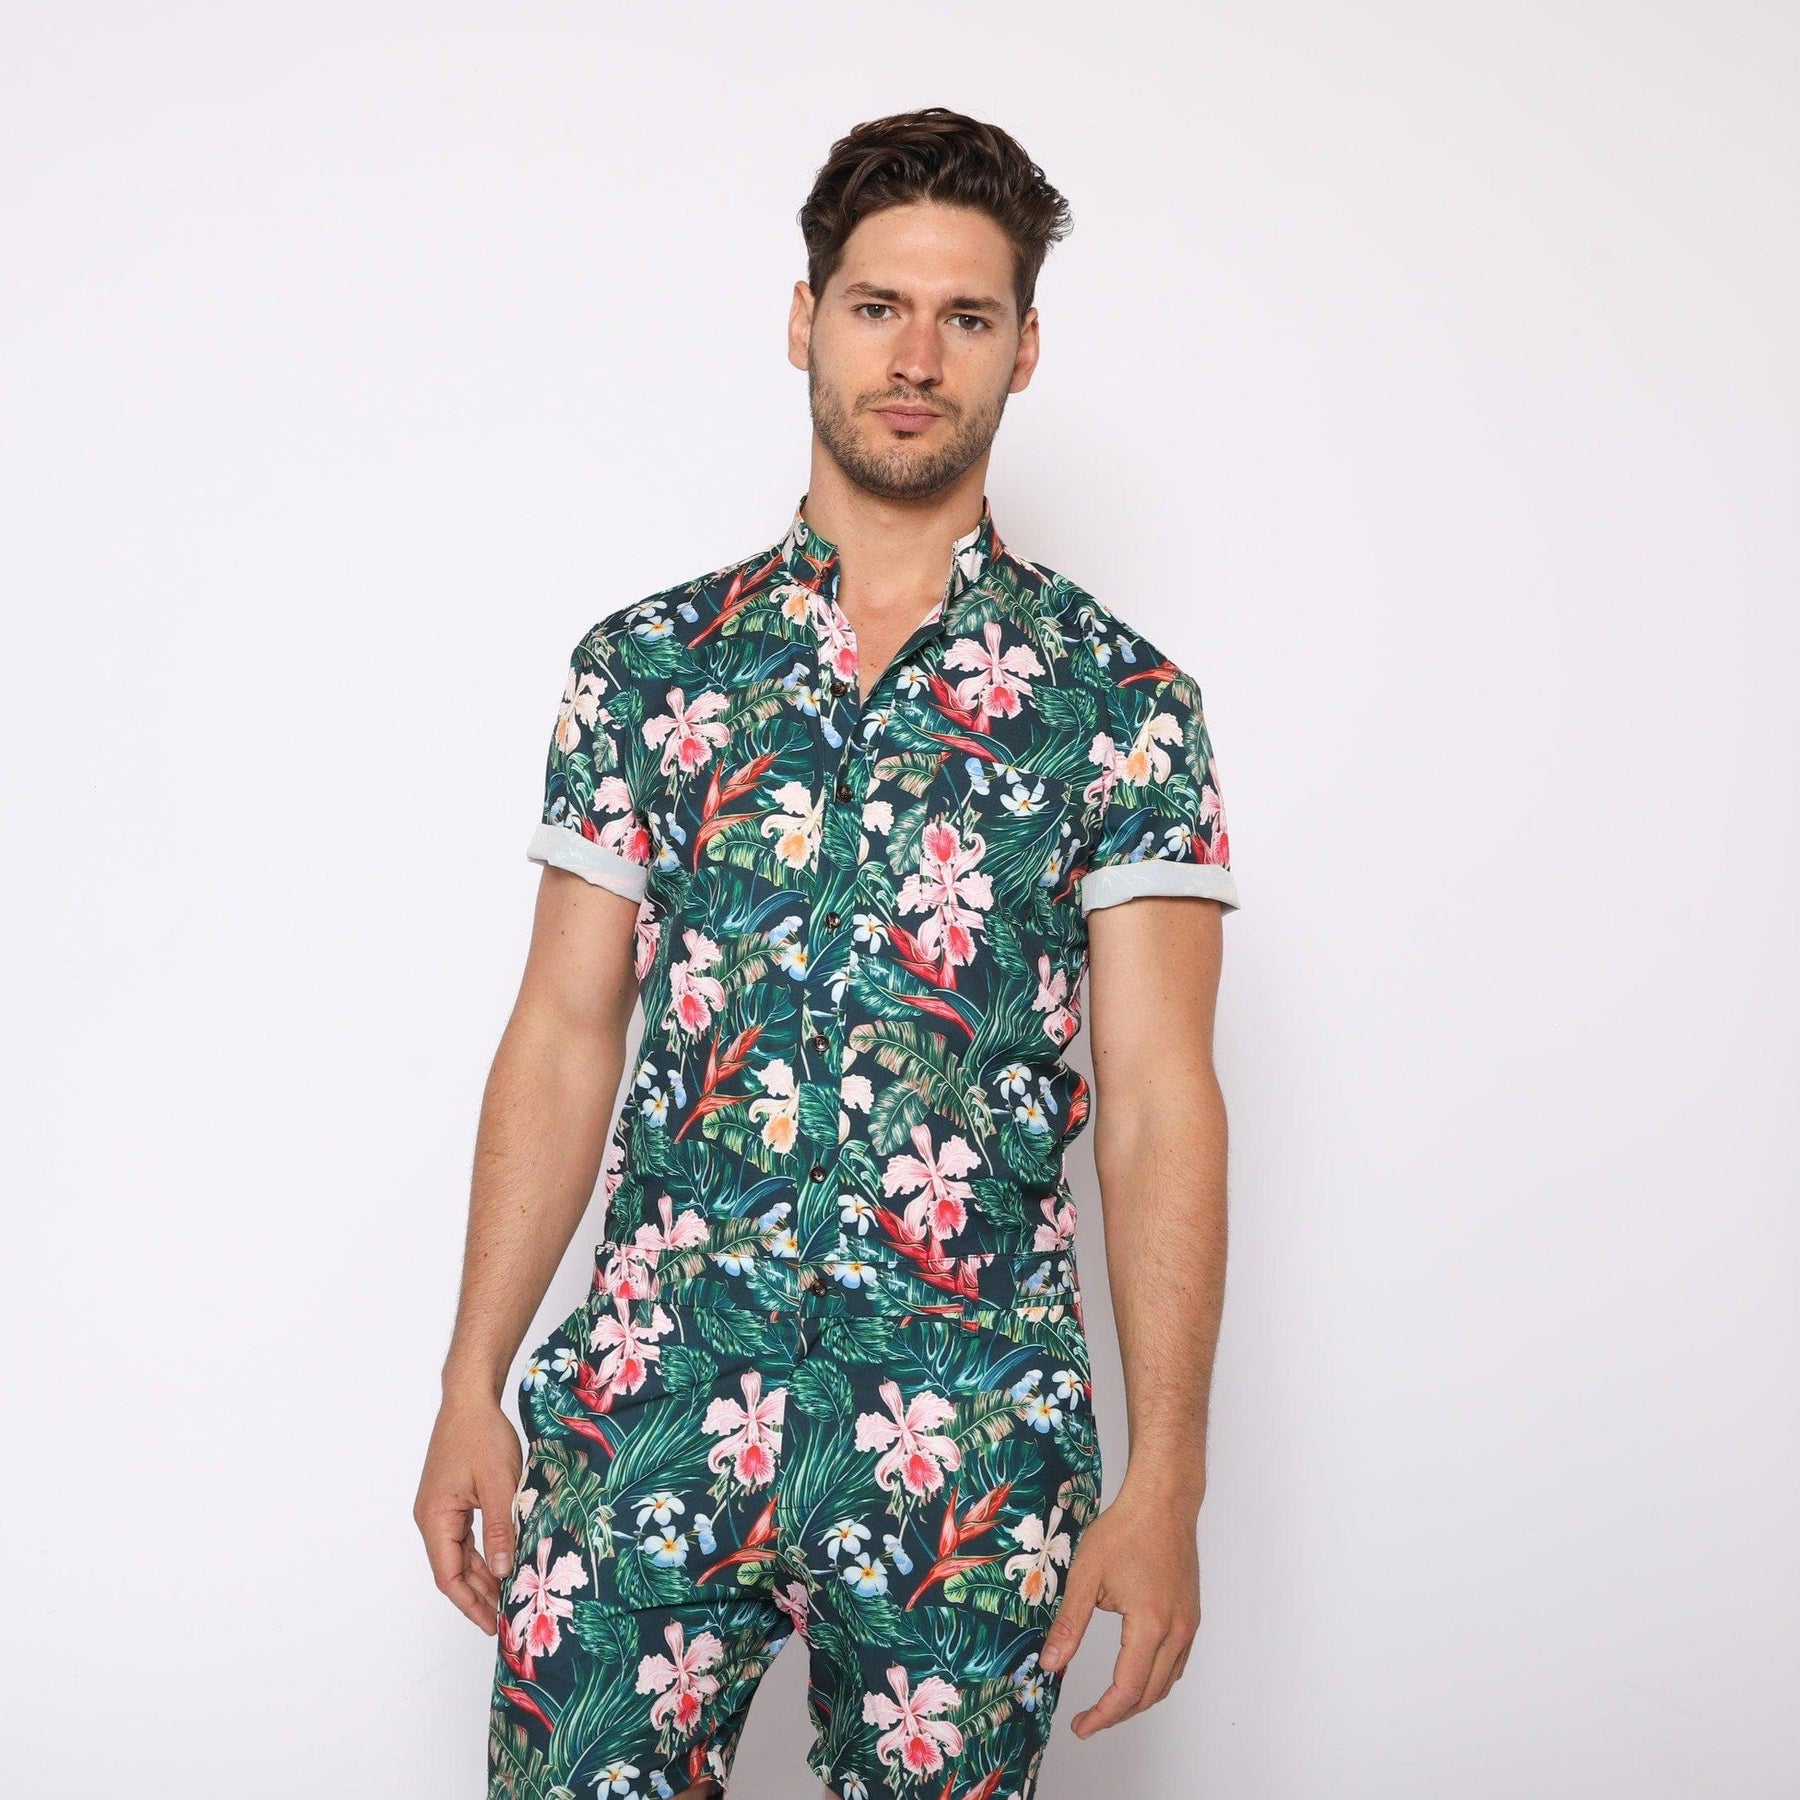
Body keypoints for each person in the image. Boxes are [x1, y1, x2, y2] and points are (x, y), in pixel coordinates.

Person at [415, 106, 1240, 1800]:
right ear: (805, 321)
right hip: (650, 1406)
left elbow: (1164, 1099)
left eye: (967, 316)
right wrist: (469, 1380)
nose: (916, 358)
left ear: (1024, 348)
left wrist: (1167, 1483)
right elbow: (563, 1031)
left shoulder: (1124, 706)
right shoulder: (649, 668)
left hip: (967, 1451)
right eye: (878, 307)